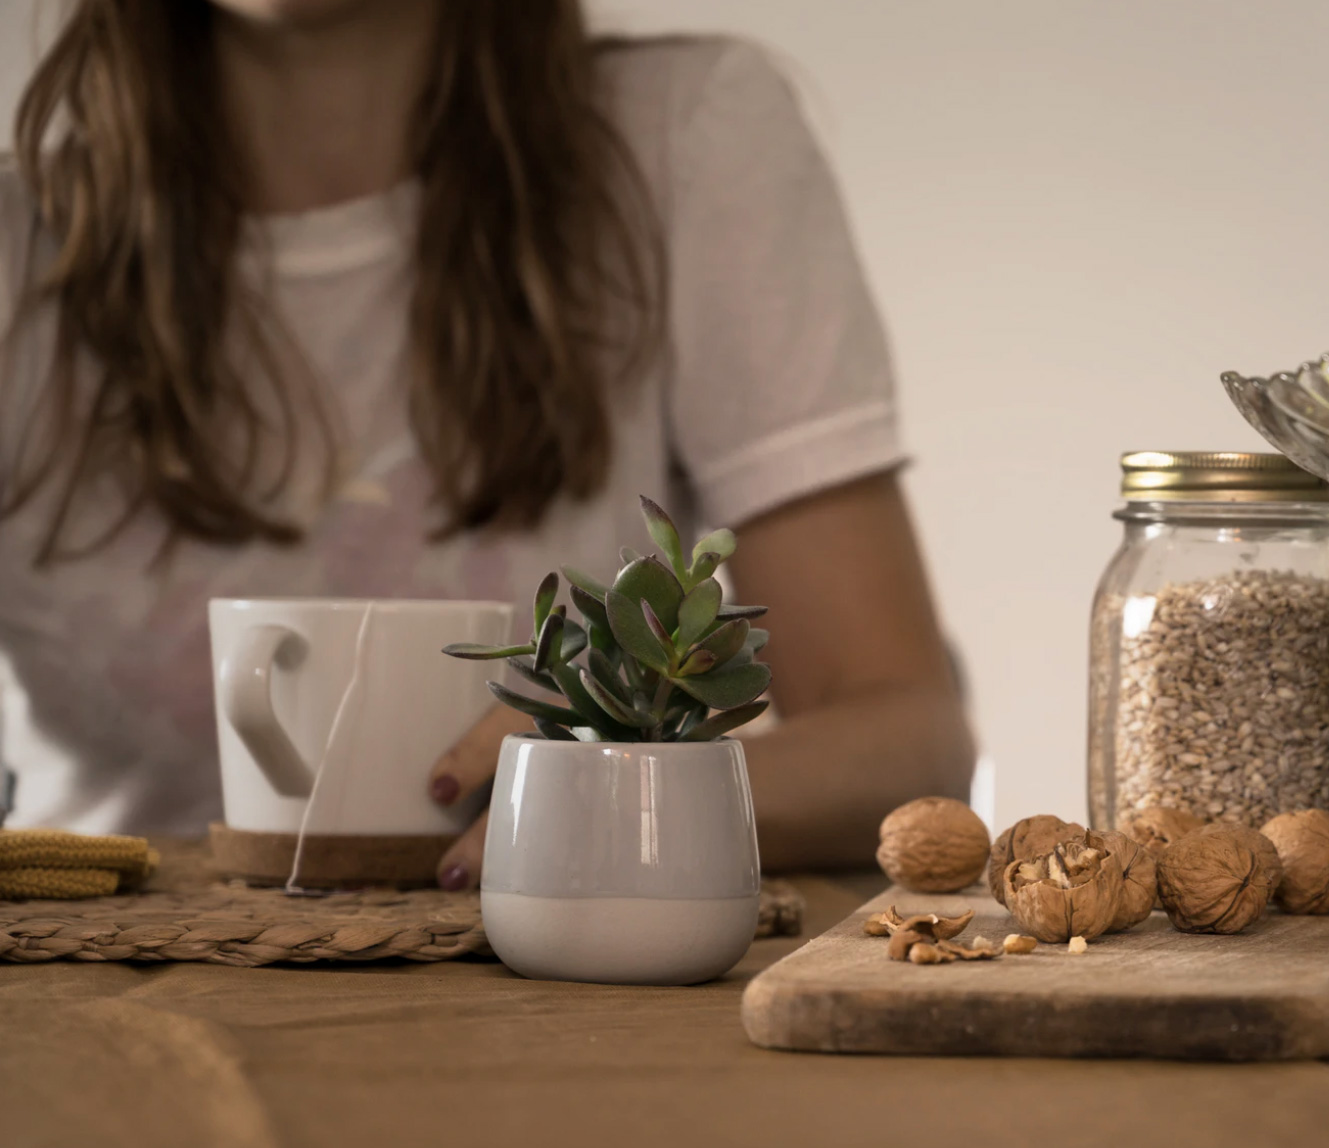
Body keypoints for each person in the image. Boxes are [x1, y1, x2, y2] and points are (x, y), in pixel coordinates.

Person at [0, 0, 975, 882]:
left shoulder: (685, 136)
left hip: (565, 1016)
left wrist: (621, 798)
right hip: (93, 1013)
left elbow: (903, 733)